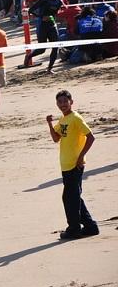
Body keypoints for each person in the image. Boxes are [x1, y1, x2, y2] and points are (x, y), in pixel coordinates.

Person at [45, 90, 99, 240]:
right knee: (73, 197)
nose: (62, 104)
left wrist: (81, 157)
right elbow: (56, 138)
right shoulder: (63, 120)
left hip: (75, 165)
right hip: (66, 165)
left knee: (70, 198)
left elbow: (91, 137)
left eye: (65, 101)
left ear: (71, 102)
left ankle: (74, 229)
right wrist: (49, 124)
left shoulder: (75, 118)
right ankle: (90, 227)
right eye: (59, 102)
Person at [24, 0, 64, 73]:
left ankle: (49, 69)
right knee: (42, 49)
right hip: (42, 25)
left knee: (55, 47)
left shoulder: (59, 2)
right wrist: (41, 16)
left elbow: (59, 12)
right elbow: (31, 10)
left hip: (52, 25)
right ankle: (29, 56)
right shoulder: (44, 0)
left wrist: (58, 16)